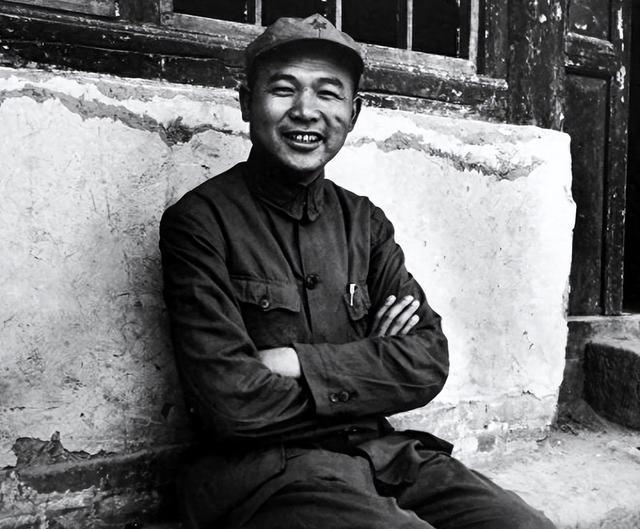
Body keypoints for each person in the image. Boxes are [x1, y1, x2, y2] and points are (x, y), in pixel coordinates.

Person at [159, 14, 557, 529]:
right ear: (246, 102)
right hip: (267, 475)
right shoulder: (200, 223)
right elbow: (232, 402)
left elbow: (426, 361)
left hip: (382, 456)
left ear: (354, 112)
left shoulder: (365, 224)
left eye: (328, 94)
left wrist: (294, 362)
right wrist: (372, 363)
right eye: (283, 90)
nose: (306, 111)